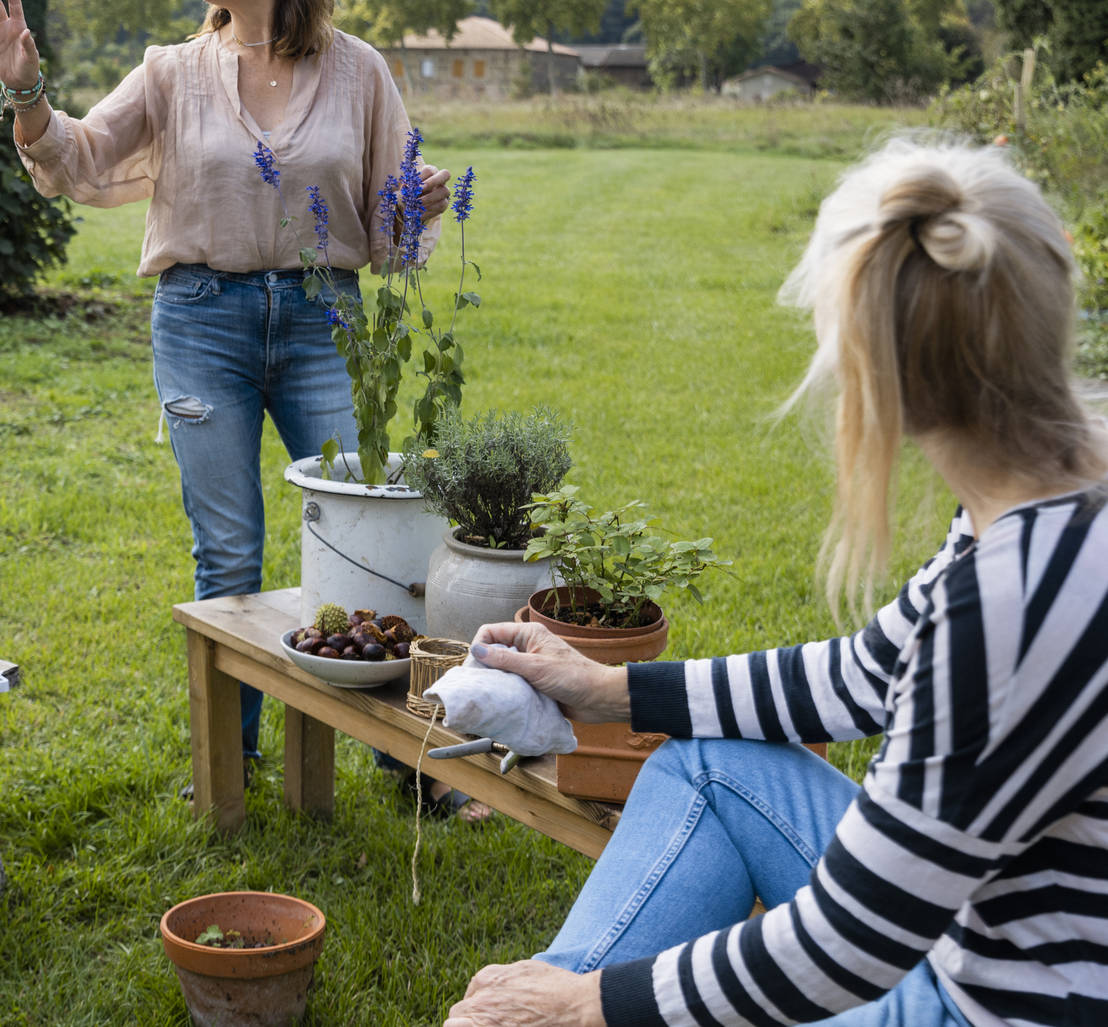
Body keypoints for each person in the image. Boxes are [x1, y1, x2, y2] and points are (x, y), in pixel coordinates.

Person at [444, 137, 1108, 1027]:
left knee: (574, 1009)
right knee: (710, 762)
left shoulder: (1012, 605)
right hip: (980, 940)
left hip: (997, 1003)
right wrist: (610, 690)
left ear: (875, 383)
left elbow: (851, 943)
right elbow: (869, 674)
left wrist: (590, 1004)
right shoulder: (1049, 501)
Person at [0, 0, 452, 775]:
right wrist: (25, 88)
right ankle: (238, 758)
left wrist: (418, 206)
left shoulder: (360, 71)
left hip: (323, 322)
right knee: (229, 549)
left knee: (370, 536)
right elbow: (75, 159)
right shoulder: (170, 71)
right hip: (201, 323)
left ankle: (405, 760)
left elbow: (388, 242)